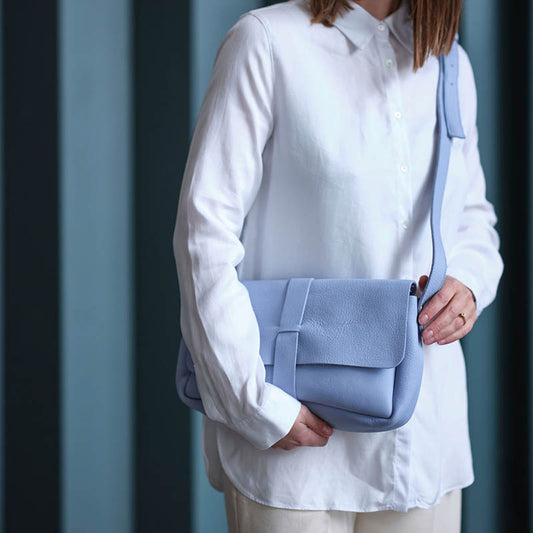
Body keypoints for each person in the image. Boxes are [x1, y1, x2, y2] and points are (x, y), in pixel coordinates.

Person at [172, 0, 504, 530]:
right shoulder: (266, 42)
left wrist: (469, 283)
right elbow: (203, 233)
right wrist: (254, 404)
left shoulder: (448, 64)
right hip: (291, 444)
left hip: (424, 442)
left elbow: (470, 215)